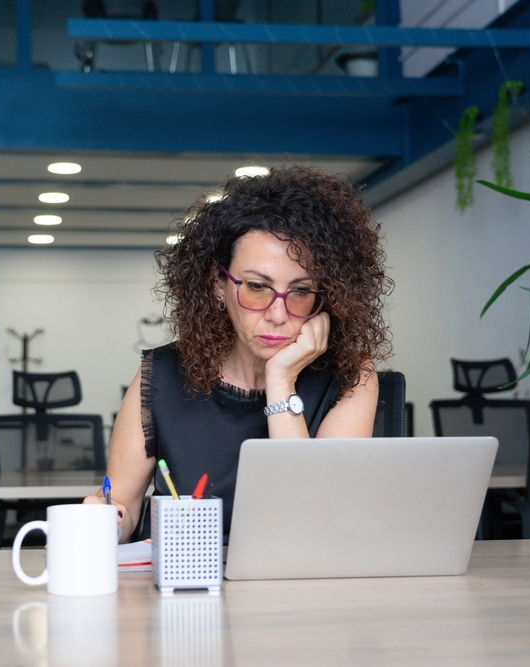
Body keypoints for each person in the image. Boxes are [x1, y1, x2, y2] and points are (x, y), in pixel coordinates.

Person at [84, 165, 392, 541]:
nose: (278, 314)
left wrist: (281, 383)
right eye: (258, 287)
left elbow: (314, 521)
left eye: (300, 291)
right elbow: (125, 507)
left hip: (292, 591)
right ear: (218, 284)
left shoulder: (350, 377)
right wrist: (105, 519)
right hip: (182, 587)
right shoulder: (162, 373)